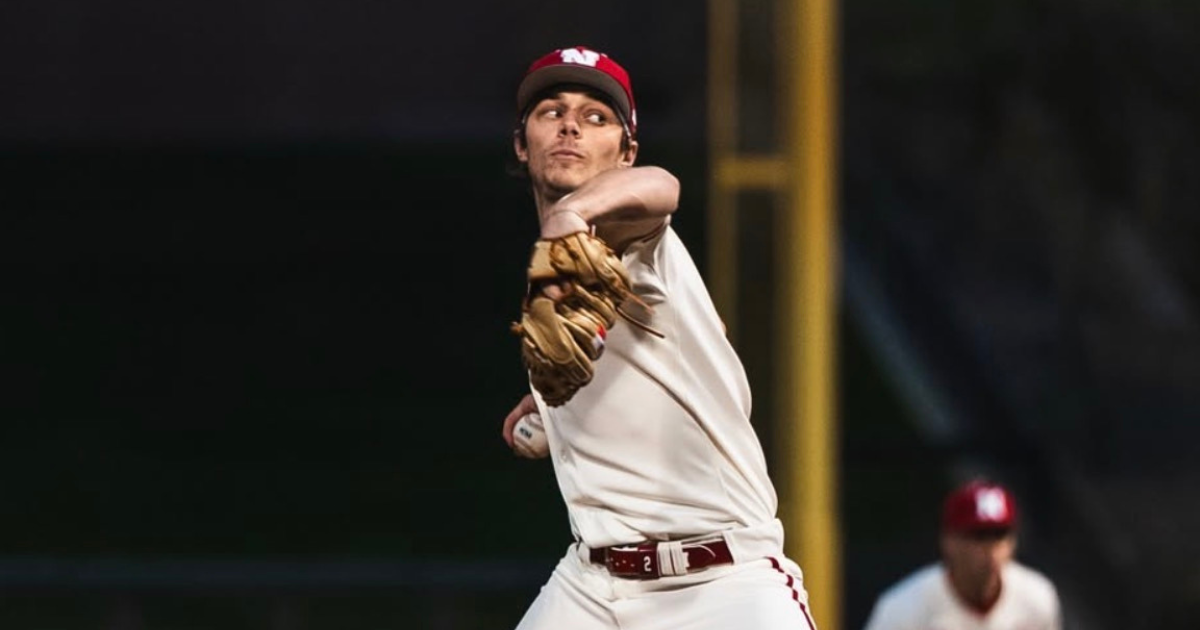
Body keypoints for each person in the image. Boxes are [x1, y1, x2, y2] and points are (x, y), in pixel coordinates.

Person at [499, 45, 819, 630]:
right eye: (552, 111)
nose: (571, 124)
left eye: (598, 118)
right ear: (522, 143)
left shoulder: (637, 234)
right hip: (593, 586)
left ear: (625, 154)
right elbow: (587, 356)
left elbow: (663, 186)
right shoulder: (555, 281)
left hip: (723, 583)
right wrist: (548, 410)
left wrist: (571, 215)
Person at [862, 479, 1063, 630]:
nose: (991, 547)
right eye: (979, 535)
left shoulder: (1037, 598)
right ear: (948, 541)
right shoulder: (903, 608)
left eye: (999, 535)